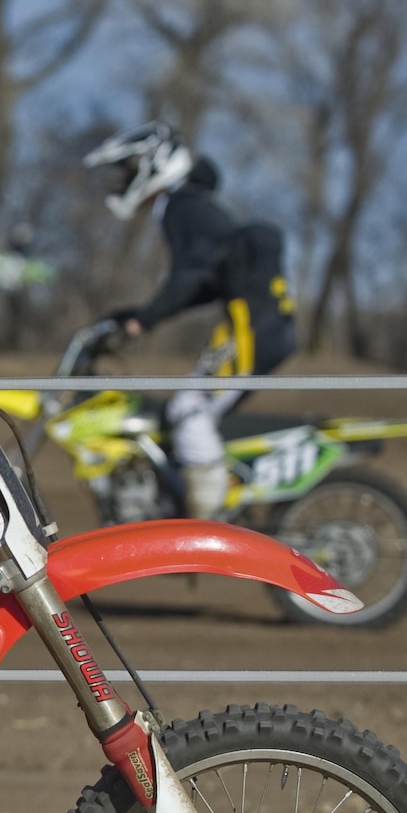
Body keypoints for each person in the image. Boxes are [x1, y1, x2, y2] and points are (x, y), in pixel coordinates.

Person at [83, 122, 297, 519]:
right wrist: (142, 315)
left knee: (188, 414)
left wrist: (144, 320)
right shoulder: (193, 205)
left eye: (129, 170)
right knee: (186, 411)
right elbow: (204, 282)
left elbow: (189, 277)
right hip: (255, 323)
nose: (124, 180)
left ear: (154, 165)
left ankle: (210, 520)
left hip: (251, 328)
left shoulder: (181, 206)